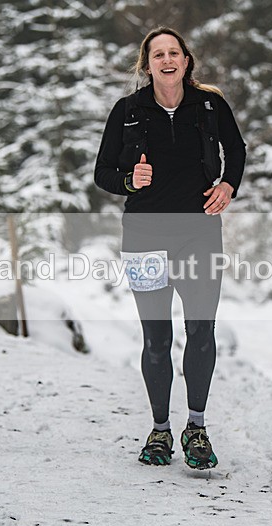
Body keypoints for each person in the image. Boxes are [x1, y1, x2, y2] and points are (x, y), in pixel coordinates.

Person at [94, 27, 246, 469]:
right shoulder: (127, 111)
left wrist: (229, 186)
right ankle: (160, 431)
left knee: (201, 330)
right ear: (147, 64)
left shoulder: (209, 105)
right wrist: (129, 181)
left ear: (185, 60)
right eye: (157, 54)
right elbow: (103, 172)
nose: (166, 59)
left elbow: (235, 150)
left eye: (173, 52)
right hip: (144, 237)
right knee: (157, 339)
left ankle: (195, 427)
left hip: (198, 234)